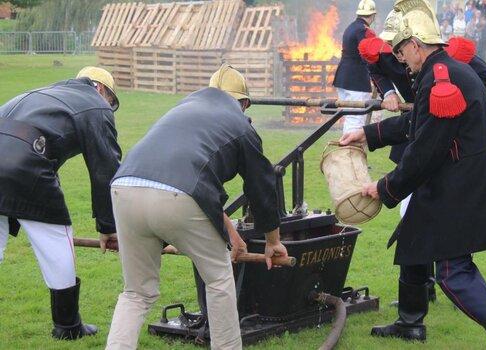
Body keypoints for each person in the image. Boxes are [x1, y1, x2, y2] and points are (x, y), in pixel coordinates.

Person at [342, 0, 486, 346]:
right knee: (414, 237)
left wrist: (384, 188)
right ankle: (410, 323)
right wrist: (368, 135)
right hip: (461, 178)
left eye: (400, 51)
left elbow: (424, 152)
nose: (400, 59)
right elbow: (416, 123)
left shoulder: (441, 78)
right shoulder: (439, 71)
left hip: (463, 184)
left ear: (415, 44)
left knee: (451, 271)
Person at [105, 64, 288, 350]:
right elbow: (261, 187)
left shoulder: (183, 109)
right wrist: (273, 241)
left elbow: (197, 179)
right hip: (179, 196)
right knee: (217, 279)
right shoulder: (241, 125)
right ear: (244, 103)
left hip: (124, 188)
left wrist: (230, 233)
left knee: (136, 293)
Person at [0, 66, 121, 339]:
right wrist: (108, 226)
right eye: (111, 102)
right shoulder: (95, 106)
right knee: (56, 237)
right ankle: (68, 326)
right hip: (23, 161)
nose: (109, 109)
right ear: (100, 89)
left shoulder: (49, 93)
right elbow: (105, 170)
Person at [332, 0, 377, 134]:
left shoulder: (350, 28)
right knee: (356, 119)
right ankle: (350, 152)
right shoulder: (365, 31)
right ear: (373, 15)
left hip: (342, 79)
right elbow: (368, 57)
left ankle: (346, 150)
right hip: (356, 81)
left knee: (350, 118)